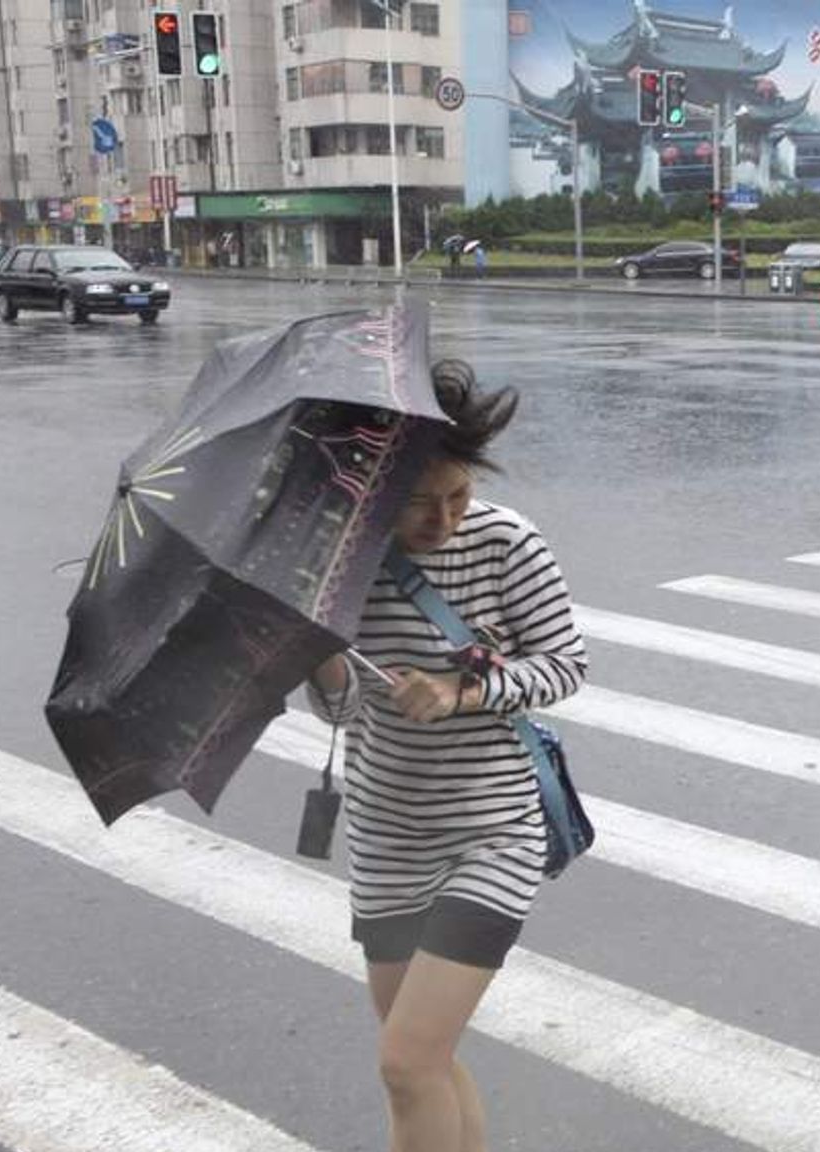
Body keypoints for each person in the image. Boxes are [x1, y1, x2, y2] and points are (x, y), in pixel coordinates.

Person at [307, 359, 588, 1152]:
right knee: (423, 1060)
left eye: (458, 494)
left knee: (403, 1061)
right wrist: (316, 643)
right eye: (419, 504)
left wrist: (460, 692)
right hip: (388, 837)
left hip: (491, 831)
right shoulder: (339, 563)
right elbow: (337, 706)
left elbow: (565, 664)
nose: (444, 520)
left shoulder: (507, 543)